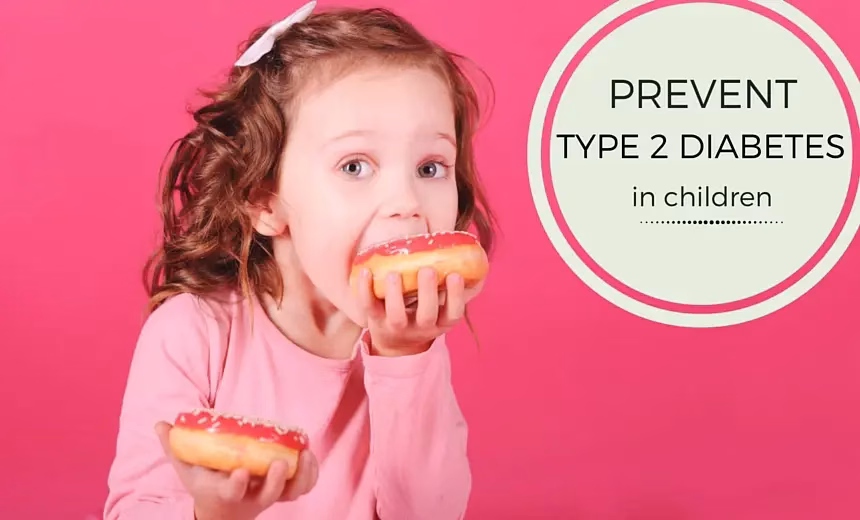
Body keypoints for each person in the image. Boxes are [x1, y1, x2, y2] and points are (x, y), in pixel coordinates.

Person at [103, 2, 496, 519]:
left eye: (430, 166)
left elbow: (430, 512)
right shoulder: (192, 333)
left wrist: (406, 358)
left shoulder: (409, 341)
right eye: (355, 166)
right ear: (265, 200)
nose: (407, 200)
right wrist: (213, 513)